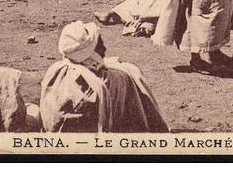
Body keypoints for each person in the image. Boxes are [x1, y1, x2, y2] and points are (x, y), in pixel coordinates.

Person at [39, 21, 169, 133]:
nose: (105, 48)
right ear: (89, 52)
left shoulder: (56, 70)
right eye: (99, 45)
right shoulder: (113, 81)